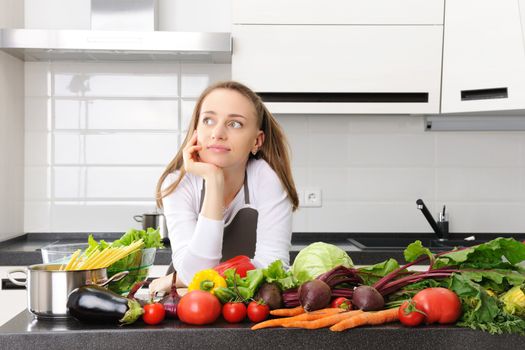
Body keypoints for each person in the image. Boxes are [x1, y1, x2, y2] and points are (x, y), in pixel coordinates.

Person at [149, 81, 299, 295]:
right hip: (187, 301)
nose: (217, 133)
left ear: (256, 141)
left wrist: (178, 278)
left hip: (247, 305)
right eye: (208, 120)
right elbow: (195, 276)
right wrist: (214, 181)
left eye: (235, 124)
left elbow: (274, 269)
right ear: (196, 131)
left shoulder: (267, 179)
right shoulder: (178, 184)